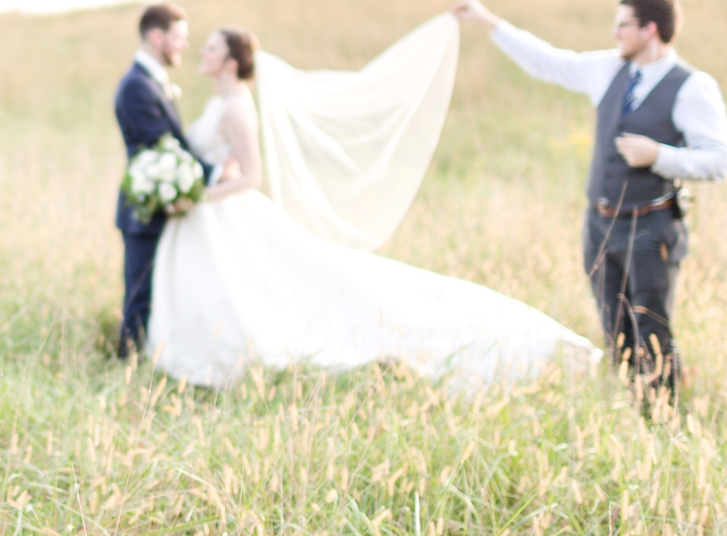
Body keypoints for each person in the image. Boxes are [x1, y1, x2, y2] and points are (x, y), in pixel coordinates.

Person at [146, 24, 600, 389]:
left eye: (209, 48)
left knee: (290, 289)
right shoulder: (221, 102)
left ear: (228, 60)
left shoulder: (237, 108)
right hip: (212, 215)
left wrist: (198, 194)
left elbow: (252, 176)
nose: (200, 52)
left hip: (225, 210)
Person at [452, 0, 727, 395]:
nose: (614, 32)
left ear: (649, 29)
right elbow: (548, 62)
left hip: (652, 226)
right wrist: (488, 21)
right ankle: (630, 410)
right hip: (600, 225)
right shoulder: (608, 68)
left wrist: (659, 156)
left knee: (652, 327)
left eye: (623, 24)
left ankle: (665, 421)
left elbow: (720, 161)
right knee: (614, 325)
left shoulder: (692, 87)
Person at [113, 3, 213, 356]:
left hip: (161, 205)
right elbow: (163, 152)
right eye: (179, 37)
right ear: (157, 37)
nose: (185, 45)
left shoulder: (152, 80)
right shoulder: (137, 87)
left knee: (156, 292)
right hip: (146, 207)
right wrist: (215, 174)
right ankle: (125, 364)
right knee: (140, 295)